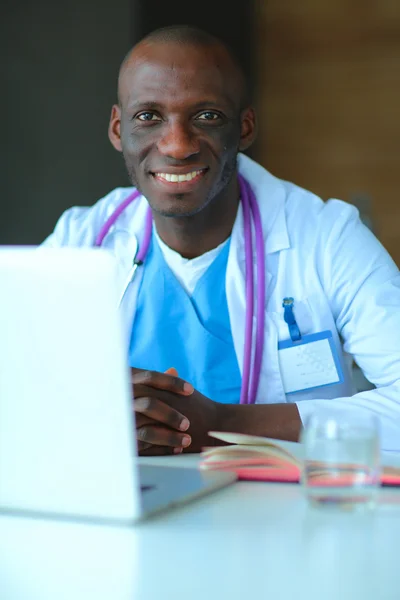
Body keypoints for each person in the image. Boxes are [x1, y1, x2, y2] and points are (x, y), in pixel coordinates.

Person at [43, 25, 400, 454]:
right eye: (148, 116)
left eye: (206, 116)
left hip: (286, 513)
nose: (176, 145)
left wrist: (226, 424)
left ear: (245, 128)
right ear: (119, 130)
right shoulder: (79, 241)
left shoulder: (328, 240)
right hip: (127, 506)